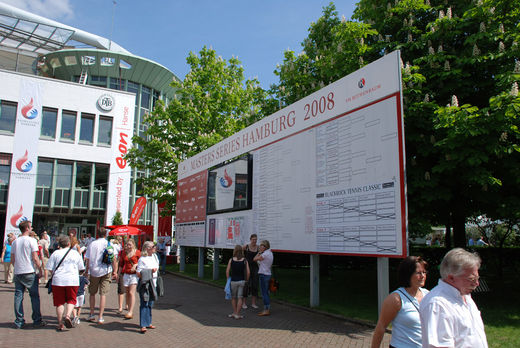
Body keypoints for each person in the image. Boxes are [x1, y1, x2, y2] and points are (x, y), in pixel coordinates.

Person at [419, 248, 488, 347]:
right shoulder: (437, 304)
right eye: (471, 279)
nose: (477, 283)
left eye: (477, 278)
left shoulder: (465, 296)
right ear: (451, 278)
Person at [371, 256, 429, 348]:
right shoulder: (396, 299)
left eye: (424, 272)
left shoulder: (427, 295)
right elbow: (381, 326)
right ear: (408, 274)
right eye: (418, 273)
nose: (422, 276)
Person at [11, 220, 46, 329]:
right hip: (29, 271)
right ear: (27, 228)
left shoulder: (15, 242)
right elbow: (35, 257)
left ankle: (19, 321)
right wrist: (40, 269)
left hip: (18, 271)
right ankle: (37, 320)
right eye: (30, 227)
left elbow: (13, 258)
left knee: (18, 296)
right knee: (34, 296)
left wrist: (17, 266)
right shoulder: (31, 241)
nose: (31, 228)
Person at [45, 235, 85, 331]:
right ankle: (67, 315)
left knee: (59, 302)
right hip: (72, 280)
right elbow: (81, 268)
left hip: (58, 280)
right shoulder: (75, 254)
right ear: (69, 243)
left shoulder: (55, 253)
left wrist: (55, 273)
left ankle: (60, 323)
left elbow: (49, 268)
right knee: (71, 299)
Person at [84, 227, 117, 324]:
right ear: (105, 234)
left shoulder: (92, 244)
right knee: (103, 294)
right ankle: (101, 316)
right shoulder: (109, 244)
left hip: (94, 270)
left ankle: (91, 314)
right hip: (106, 270)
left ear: (97, 234)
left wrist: (86, 271)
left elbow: (88, 259)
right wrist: (115, 271)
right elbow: (114, 259)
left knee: (92, 293)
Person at [136, 241, 159, 333]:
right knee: (144, 303)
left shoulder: (154, 257)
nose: (155, 248)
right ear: (147, 248)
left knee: (150, 304)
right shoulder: (142, 259)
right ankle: (143, 324)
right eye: (153, 246)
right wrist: (150, 271)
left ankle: (148, 322)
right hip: (145, 284)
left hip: (153, 283)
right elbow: (138, 273)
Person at [118, 238, 141, 319]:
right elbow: (121, 264)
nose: (128, 246)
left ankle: (131, 311)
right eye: (127, 245)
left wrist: (135, 265)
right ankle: (127, 307)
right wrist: (118, 274)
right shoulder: (124, 253)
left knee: (131, 292)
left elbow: (141, 261)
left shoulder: (137, 252)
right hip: (126, 274)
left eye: (130, 245)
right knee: (127, 292)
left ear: (133, 245)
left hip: (134, 275)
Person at [226, 245, 250, 319]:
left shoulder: (231, 260)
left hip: (233, 281)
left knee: (233, 298)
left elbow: (227, 271)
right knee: (240, 298)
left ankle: (234, 312)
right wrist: (247, 280)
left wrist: (228, 280)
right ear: (241, 251)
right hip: (242, 281)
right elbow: (248, 272)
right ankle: (237, 314)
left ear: (235, 251)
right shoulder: (245, 260)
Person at [254, 239, 273, 316]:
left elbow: (254, 259)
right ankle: (266, 309)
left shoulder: (264, 254)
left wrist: (259, 253)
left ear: (265, 247)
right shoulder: (270, 253)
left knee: (264, 293)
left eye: (262, 246)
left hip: (263, 274)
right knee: (266, 293)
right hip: (267, 274)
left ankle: (266, 310)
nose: (260, 247)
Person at [242, 234, 259, 309]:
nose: (254, 241)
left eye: (256, 239)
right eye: (253, 239)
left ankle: (253, 303)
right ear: (250, 239)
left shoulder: (258, 247)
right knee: (246, 285)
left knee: (255, 285)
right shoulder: (246, 247)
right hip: (247, 268)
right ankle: (244, 303)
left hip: (255, 268)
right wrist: (243, 260)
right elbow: (240, 251)